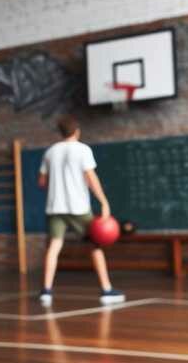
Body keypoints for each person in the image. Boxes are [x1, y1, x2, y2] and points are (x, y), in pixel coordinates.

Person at [38, 115, 124, 306]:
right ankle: (106, 290)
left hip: (55, 207)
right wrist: (104, 201)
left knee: (54, 246)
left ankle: (46, 291)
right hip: (78, 207)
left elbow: (41, 182)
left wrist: (57, 183)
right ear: (77, 131)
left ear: (60, 132)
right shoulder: (83, 150)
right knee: (95, 245)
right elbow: (91, 177)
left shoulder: (50, 152)